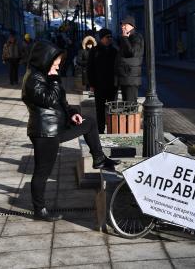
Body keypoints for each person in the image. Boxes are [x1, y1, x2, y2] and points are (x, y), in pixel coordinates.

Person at [21, 40, 120, 221]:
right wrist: (54, 79)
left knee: (89, 123)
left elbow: (61, 103)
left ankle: (99, 159)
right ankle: (39, 210)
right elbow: (49, 99)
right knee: (42, 172)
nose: (58, 66)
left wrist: (73, 113)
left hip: (56, 128)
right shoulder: (33, 78)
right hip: (45, 133)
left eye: (58, 62)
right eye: (55, 62)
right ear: (45, 59)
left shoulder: (44, 76)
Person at [88, 28, 118, 134]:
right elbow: (90, 68)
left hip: (112, 86)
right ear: (101, 39)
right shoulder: (94, 51)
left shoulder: (114, 51)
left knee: (112, 108)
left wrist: (117, 82)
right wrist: (91, 84)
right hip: (99, 85)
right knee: (100, 110)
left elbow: (117, 68)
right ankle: (100, 130)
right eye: (107, 37)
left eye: (111, 37)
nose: (110, 39)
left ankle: (112, 129)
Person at [115, 15, 144, 103]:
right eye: (121, 25)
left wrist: (124, 38)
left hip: (130, 77)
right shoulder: (128, 37)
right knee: (127, 105)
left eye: (124, 24)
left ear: (131, 25)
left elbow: (131, 52)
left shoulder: (136, 37)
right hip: (126, 76)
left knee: (130, 105)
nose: (122, 27)